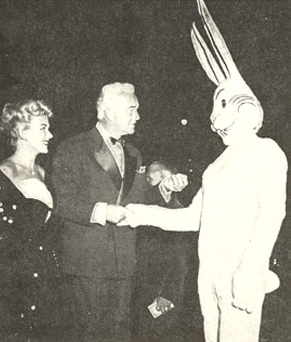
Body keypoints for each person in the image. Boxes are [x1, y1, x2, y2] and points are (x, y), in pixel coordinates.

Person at [122, 1, 288, 341]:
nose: (214, 118)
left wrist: (250, 270)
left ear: (246, 106)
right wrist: (139, 213)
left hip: (239, 274)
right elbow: (192, 217)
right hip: (209, 275)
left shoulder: (265, 151)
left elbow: (272, 214)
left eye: (221, 103)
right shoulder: (216, 167)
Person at [51, 82, 187, 342]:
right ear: (110, 112)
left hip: (124, 263)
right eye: (132, 109)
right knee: (89, 334)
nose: (138, 116)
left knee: (120, 333)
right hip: (87, 263)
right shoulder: (72, 148)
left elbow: (137, 199)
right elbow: (62, 201)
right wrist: (101, 211)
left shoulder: (134, 154)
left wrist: (164, 189)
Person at [0, 100, 62, 341]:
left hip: (47, 282)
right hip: (14, 290)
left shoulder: (44, 172)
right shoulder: (0, 175)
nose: (49, 134)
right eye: (42, 127)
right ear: (21, 131)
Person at [132, 161, 195, 342]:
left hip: (161, 296)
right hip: (140, 292)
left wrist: (168, 294)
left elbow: (180, 261)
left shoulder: (178, 215)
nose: (146, 182)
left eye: (150, 178)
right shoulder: (141, 206)